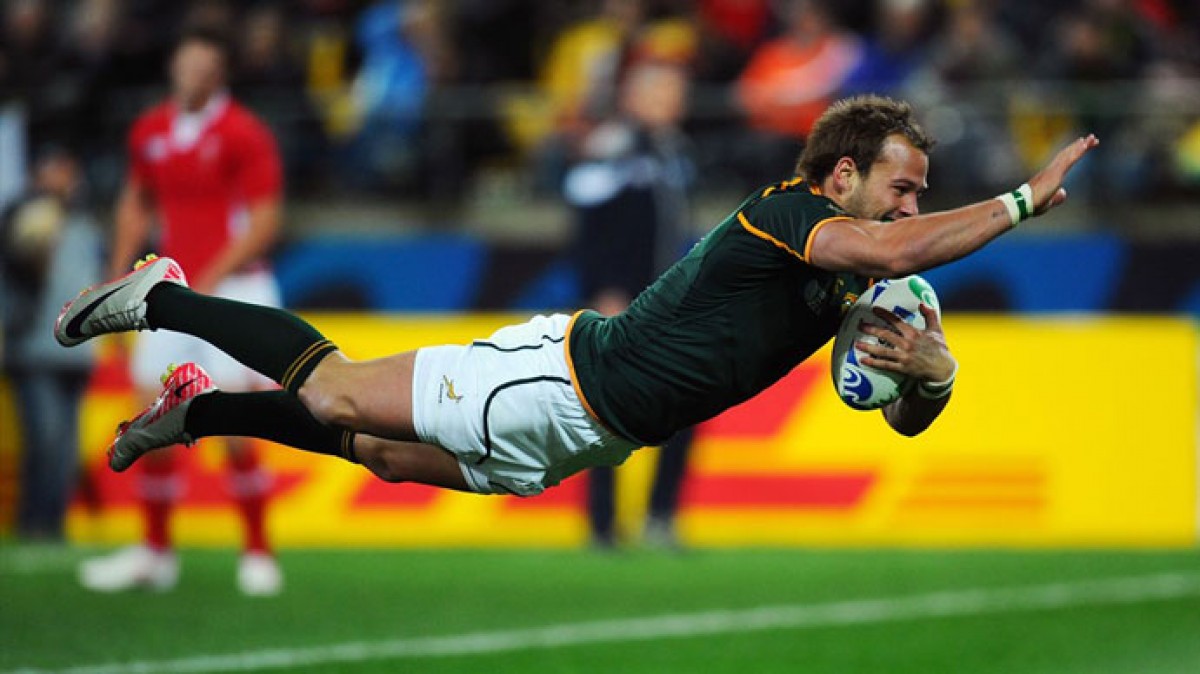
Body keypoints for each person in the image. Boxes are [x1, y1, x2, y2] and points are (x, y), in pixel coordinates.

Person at [55, 96, 1099, 507]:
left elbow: (895, 410)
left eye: (921, 190)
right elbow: (896, 242)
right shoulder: (789, 213)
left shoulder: (866, 278)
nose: (913, 204)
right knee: (334, 393)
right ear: (841, 176)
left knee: (378, 453)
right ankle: (164, 299)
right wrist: (1018, 200)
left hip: (598, 435)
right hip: (563, 379)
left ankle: (198, 411)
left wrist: (936, 378)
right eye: (904, 185)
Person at [76, 27, 285, 595]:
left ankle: (258, 550)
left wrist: (208, 283)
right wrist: (117, 281)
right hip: (169, 291)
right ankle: (155, 552)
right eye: (185, 63)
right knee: (152, 417)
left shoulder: (244, 133)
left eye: (203, 66)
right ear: (173, 66)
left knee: (238, 420)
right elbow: (136, 202)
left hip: (235, 289)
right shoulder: (150, 131)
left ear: (219, 74)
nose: (191, 74)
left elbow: (265, 220)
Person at [563, 60, 696, 548]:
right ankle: (603, 525)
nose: (674, 103)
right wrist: (605, 288)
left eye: (677, 94)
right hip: (621, 299)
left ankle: (661, 517)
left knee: (686, 406)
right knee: (606, 412)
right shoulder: (613, 146)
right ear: (633, 98)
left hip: (667, 300)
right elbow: (587, 217)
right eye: (663, 93)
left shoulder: (672, 149)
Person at [1, 148, 101, 541]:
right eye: (56, 170)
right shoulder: (24, 217)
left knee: (65, 448)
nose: (65, 179)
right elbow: (18, 265)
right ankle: (32, 523)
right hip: (34, 347)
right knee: (43, 439)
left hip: (76, 352)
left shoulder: (84, 223)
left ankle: (53, 525)